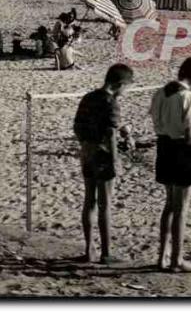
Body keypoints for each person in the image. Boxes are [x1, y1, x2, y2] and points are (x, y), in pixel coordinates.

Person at [150, 58, 191, 272]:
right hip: (183, 152)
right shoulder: (188, 97)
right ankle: (177, 259)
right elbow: (190, 137)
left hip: (164, 148)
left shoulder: (160, 93)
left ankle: (162, 257)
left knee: (169, 205)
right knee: (181, 209)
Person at [73, 64, 134, 264]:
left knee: (89, 200)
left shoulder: (89, 97)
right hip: (103, 154)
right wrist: (115, 160)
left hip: (87, 151)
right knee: (105, 204)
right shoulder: (111, 103)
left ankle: (89, 248)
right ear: (120, 84)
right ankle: (106, 253)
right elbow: (111, 135)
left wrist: (86, 144)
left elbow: (77, 127)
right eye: (126, 87)